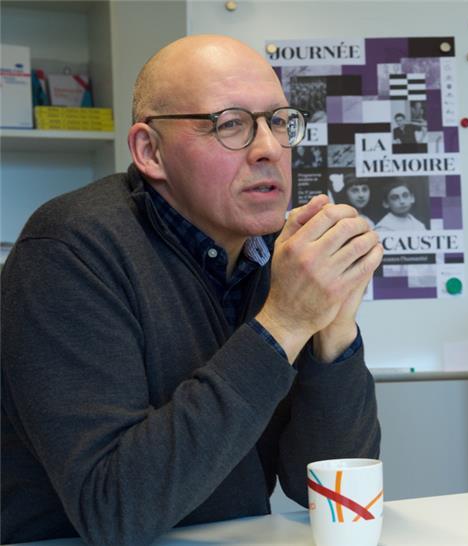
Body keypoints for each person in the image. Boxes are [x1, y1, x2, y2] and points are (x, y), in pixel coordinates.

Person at [0, 35, 383, 545]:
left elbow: (317, 485)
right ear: (150, 151)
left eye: (278, 122)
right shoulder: (69, 249)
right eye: (230, 125)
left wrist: (333, 331)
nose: (269, 149)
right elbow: (113, 509)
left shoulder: (273, 251)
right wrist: (284, 324)